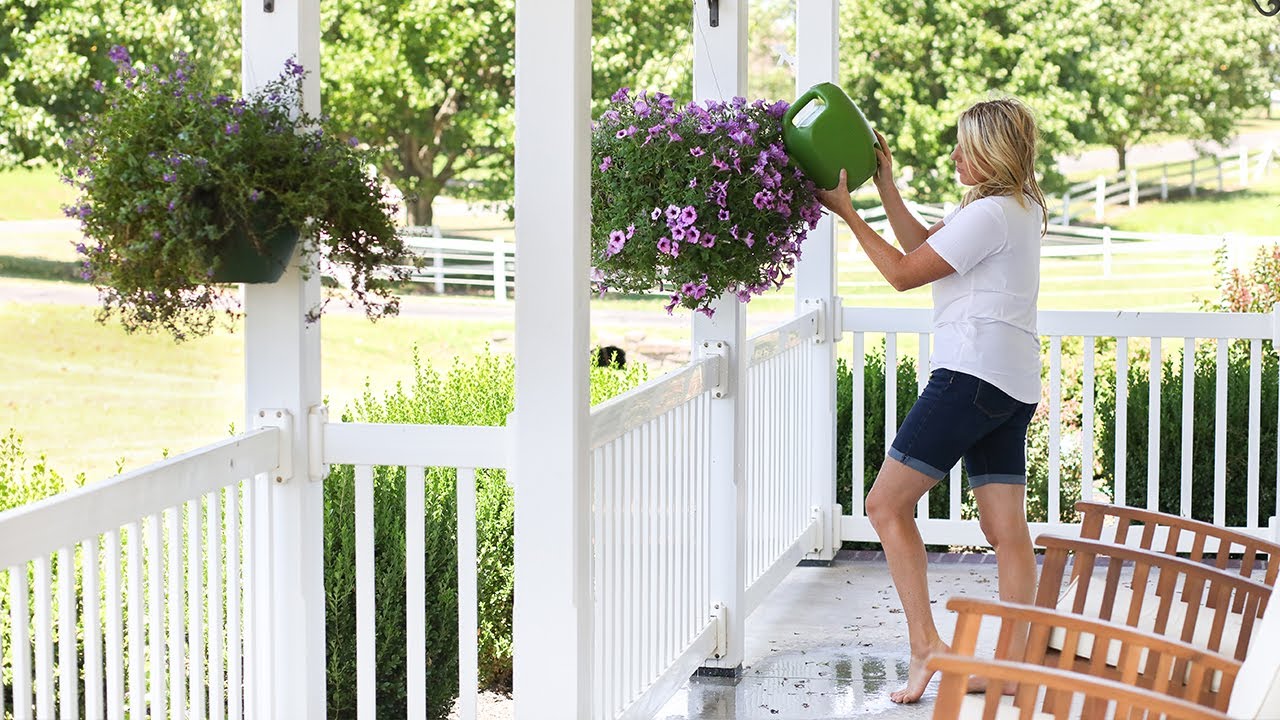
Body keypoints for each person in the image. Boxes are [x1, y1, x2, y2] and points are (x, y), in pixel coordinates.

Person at [814, 97, 1047, 704]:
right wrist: (886, 188)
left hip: (969, 378)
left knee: (884, 507)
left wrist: (848, 215)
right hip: (1011, 383)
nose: (954, 156)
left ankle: (927, 648)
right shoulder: (1016, 210)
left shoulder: (989, 213)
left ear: (991, 152)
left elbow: (901, 272)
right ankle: (1017, 667)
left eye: (965, 147)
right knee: (1006, 529)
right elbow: (924, 247)